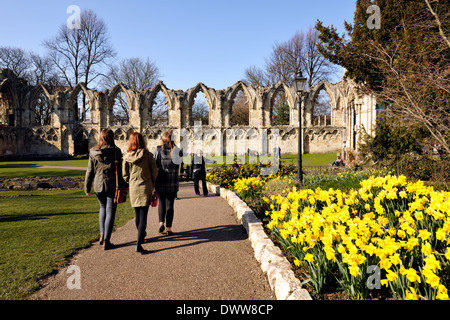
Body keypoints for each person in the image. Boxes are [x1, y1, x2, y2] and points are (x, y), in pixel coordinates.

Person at [85, 128, 126, 250]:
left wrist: (87, 187)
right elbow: (120, 170)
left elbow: (90, 171)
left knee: (102, 208)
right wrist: (124, 185)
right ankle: (107, 241)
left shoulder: (93, 152)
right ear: (112, 137)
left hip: (98, 185)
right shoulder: (116, 151)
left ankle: (102, 235)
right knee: (110, 212)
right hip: (113, 185)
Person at [122, 132, 158, 253]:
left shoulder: (127, 156)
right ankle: (139, 243)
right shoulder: (148, 155)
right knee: (143, 215)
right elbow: (155, 172)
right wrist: (151, 182)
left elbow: (125, 174)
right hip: (145, 186)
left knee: (137, 214)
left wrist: (131, 182)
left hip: (133, 186)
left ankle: (141, 236)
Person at [154, 131, 181, 235]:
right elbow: (179, 165)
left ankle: (161, 223)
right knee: (170, 204)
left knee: (161, 202)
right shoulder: (177, 150)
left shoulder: (158, 150)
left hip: (161, 180)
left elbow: (155, 164)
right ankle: (168, 228)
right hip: (172, 181)